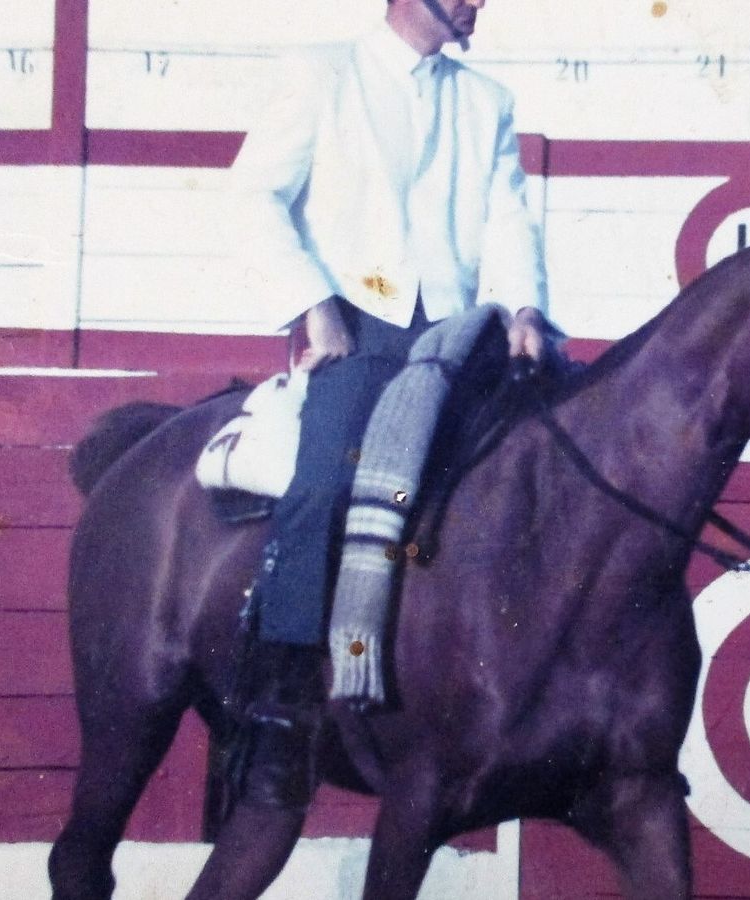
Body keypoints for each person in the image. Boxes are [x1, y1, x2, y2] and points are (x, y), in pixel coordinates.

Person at [227, 0, 550, 806]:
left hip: (457, 334)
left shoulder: (487, 101)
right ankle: (282, 710)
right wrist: (313, 303)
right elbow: (252, 196)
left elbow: (507, 215)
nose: (481, 3)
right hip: (358, 328)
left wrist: (524, 311)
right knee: (325, 488)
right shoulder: (321, 73)